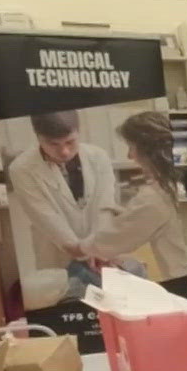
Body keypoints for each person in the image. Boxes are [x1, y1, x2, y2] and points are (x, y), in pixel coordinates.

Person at [81, 111, 187, 295]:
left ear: (146, 149)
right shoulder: (173, 184)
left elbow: (116, 236)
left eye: (131, 147)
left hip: (178, 286)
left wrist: (83, 249)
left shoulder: (155, 196)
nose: (130, 155)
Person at [7, 110, 114, 298]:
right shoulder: (21, 169)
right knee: (65, 305)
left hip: (100, 253)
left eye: (70, 142)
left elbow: (105, 207)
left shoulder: (99, 157)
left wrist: (99, 247)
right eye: (53, 144)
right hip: (57, 254)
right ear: (38, 137)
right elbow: (47, 218)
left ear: (78, 132)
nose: (64, 151)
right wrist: (84, 250)